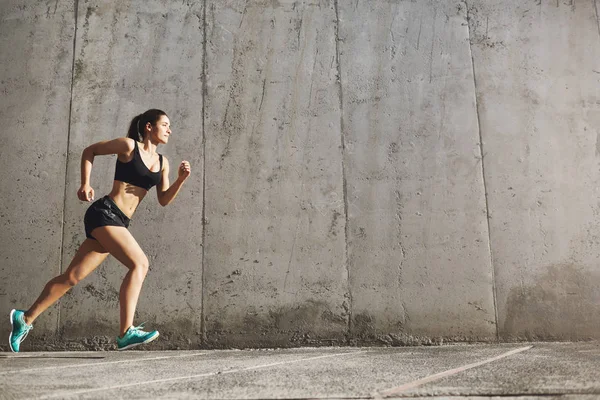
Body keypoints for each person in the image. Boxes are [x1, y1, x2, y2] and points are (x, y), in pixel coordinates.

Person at [8, 109, 191, 352]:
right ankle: (126, 332)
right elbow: (89, 151)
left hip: (119, 223)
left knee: (72, 277)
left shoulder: (163, 163)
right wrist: (85, 183)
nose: (169, 130)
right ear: (149, 126)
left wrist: (180, 179)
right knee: (140, 264)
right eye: (165, 124)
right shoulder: (128, 146)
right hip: (105, 213)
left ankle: (25, 319)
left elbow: (164, 199)